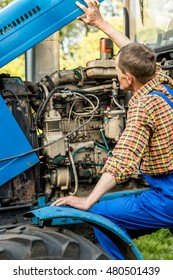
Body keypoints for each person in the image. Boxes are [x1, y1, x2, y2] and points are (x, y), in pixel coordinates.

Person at [51, 0, 173, 259]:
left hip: (168, 195)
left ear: (128, 78)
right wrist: (100, 22)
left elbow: (123, 158)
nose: (115, 75)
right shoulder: (162, 82)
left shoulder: (143, 106)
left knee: (100, 213)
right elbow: (132, 50)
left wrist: (87, 200)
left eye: (117, 71)